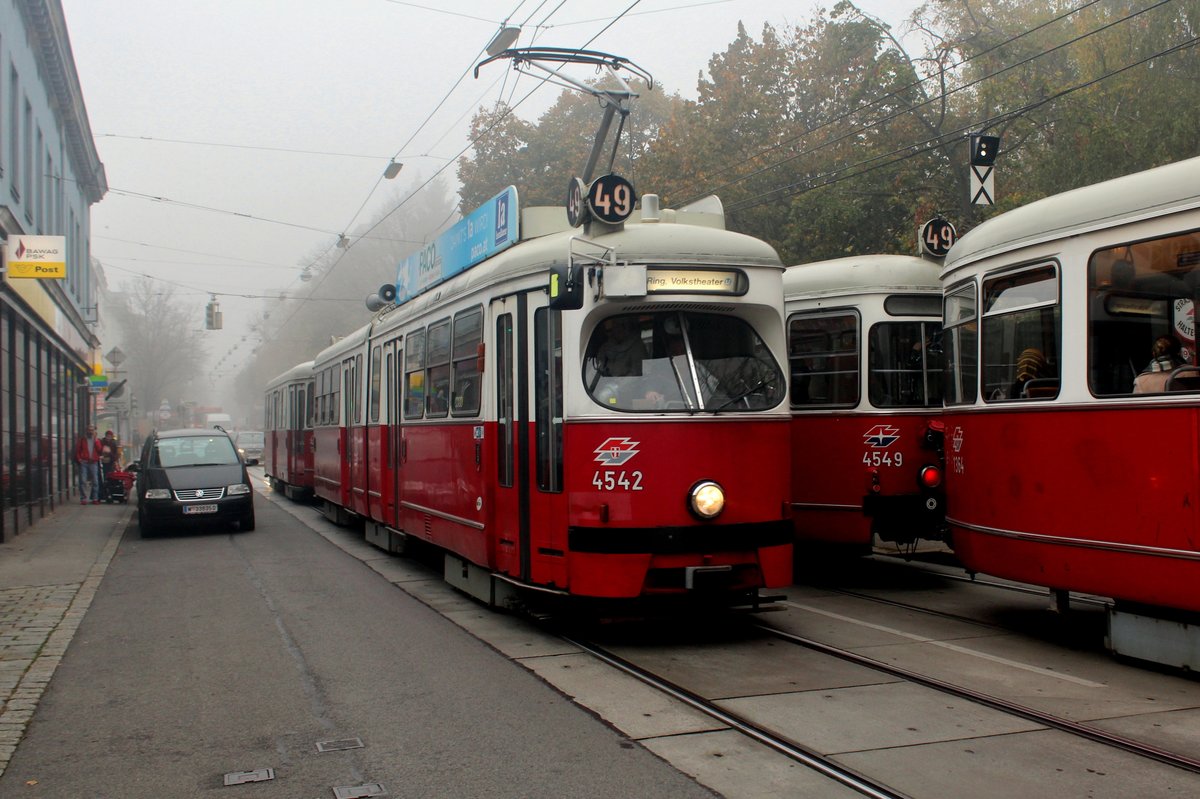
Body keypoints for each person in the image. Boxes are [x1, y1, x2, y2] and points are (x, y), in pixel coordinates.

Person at [75, 424, 103, 505]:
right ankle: (83, 498)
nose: (90, 432)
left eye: (92, 430)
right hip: (84, 462)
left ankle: (95, 498)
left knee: (95, 481)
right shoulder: (82, 440)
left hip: (93, 462)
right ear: (86, 431)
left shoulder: (96, 440)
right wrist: (79, 459)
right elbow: (78, 450)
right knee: (83, 480)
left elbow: (99, 450)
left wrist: (96, 440)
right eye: (89, 430)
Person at [99, 430, 119, 500]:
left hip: (111, 463)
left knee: (110, 478)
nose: (108, 437)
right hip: (104, 462)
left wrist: (110, 453)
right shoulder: (102, 442)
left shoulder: (113, 443)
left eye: (110, 436)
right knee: (105, 477)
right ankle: (106, 493)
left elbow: (115, 454)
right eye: (107, 436)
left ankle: (110, 493)